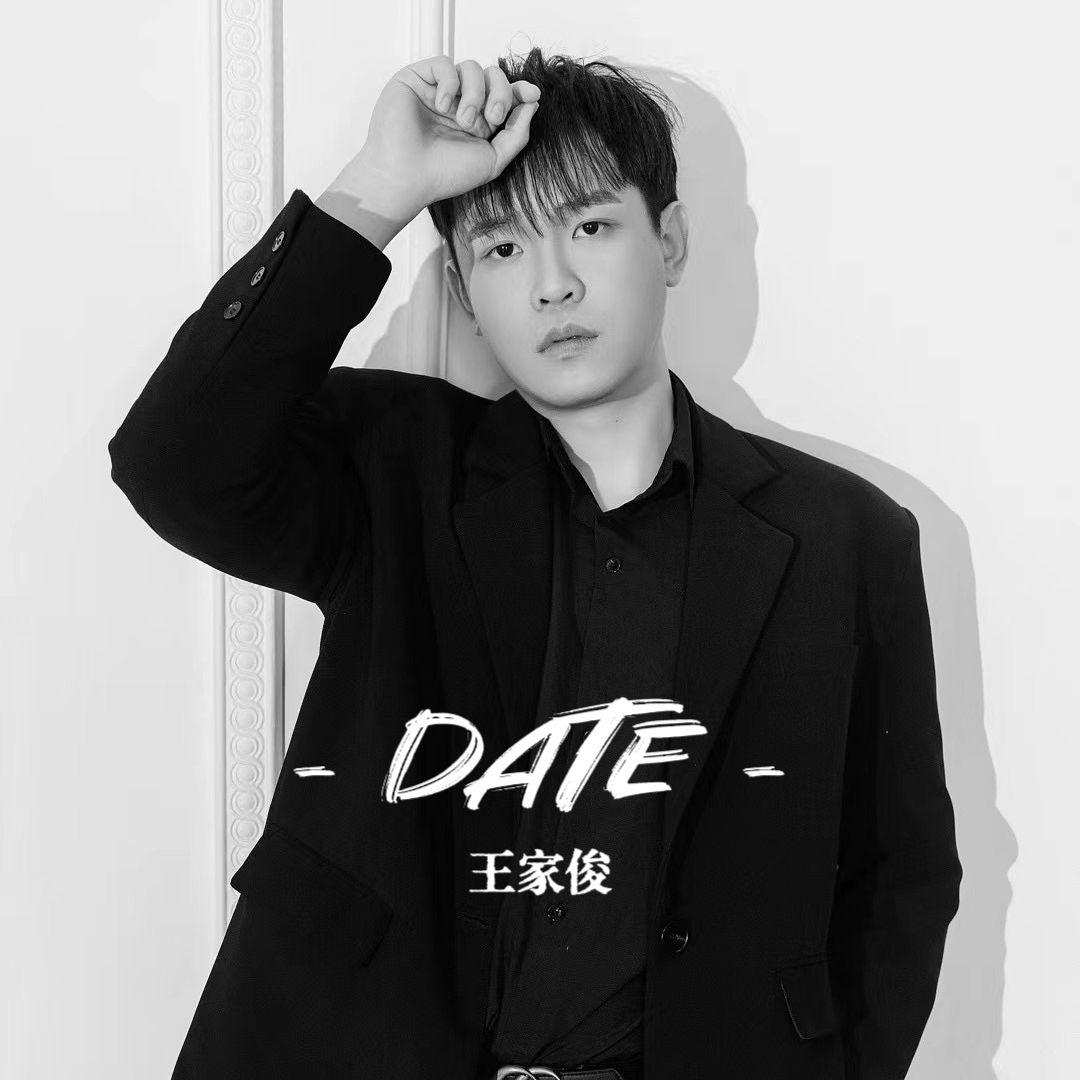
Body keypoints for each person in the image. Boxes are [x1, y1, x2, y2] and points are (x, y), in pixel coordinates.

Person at [108, 46, 962, 1080]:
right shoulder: (396, 474)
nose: (553, 285)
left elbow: (900, 873)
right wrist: (381, 186)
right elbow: (175, 462)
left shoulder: (846, 538)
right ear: (466, 297)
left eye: (591, 227)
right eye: (503, 248)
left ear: (670, 241)